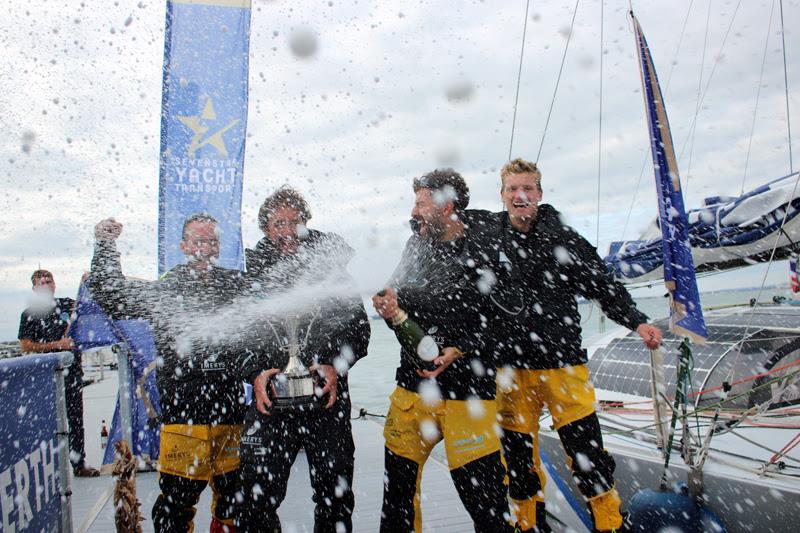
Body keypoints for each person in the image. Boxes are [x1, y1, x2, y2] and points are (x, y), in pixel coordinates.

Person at [491, 158, 663, 533]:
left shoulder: (564, 239)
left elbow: (603, 287)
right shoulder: (490, 238)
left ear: (539, 193)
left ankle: (609, 525)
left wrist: (636, 321)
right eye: (512, 189)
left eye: (528, 189)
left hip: (563, 367)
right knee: (518, 462)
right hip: (511, 371)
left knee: (588, 457)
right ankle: (528, 525)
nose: (520, 196)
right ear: (502, 195)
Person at [372, 169, 514, 533]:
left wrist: (462, 348)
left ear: (446, 206)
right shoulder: (415, 245)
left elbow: (509, 319)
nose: (414, 210)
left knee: (485, 503)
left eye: (421, 203)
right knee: (397, 496)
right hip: (411, 389)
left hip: (468, 394)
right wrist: (389, 310)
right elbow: (397, 305)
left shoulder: (485, 247)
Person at [90, 214, 246, 533]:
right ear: (184, 246)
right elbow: (113, 297)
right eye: (197, 242)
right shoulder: (167, 288)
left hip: (230, 416)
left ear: (218, 246)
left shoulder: (236, 284)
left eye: (211, 242)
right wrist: (105, 245)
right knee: (175, 508)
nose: (204, 249)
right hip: (183, 419)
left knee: (235, 503)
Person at [236, 186, 370, 533]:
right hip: (270, 404)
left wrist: (334, 366)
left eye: (295, 222)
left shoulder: (333, 270)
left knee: (335, 498)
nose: (287, 231)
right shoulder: (248, 275)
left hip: (326, 402)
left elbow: (359, 333)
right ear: (265, 229)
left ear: (306, 224)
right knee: (255, 498)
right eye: (278, 223)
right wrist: (255, 372)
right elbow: (236, 336)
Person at [18, 269, 101, 477]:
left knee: (75, 419)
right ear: (35, 289)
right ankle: (48, 470)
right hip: (45, 378)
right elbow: (26, 347)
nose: (46, 285)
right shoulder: (29, 315)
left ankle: (78, 464)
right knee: (47, 423)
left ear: (54, 284)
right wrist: (57, 345)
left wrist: (85, 283)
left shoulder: (65, 304)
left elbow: (86, 305)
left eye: (49, 281)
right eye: (41, 282)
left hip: (71, 373)